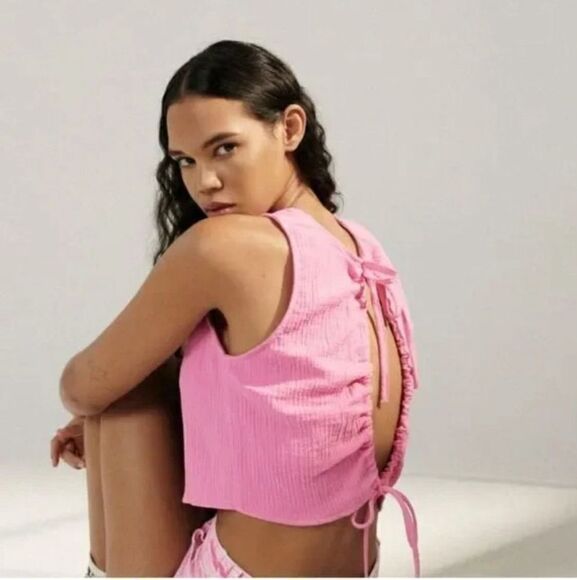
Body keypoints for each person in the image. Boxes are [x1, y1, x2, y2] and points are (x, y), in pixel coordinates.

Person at [52, 39, 421, 577]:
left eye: (224, 148)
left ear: (289, 128)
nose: (204, 182)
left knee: (125, 394)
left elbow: (82, 385)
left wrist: (94, 408)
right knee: (151, 375)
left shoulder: (223, 247)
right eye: (185, 161)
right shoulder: (363, 249)